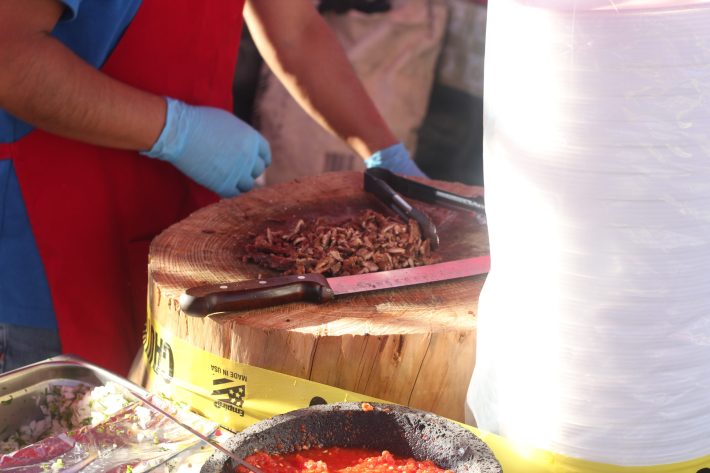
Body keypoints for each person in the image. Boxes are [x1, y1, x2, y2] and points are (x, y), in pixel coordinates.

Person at [0, 0, 426, 375]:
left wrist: (385, 152)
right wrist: (177, 131)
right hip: (46, 243)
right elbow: (11, 55)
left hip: (175, 221)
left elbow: (294, 28)